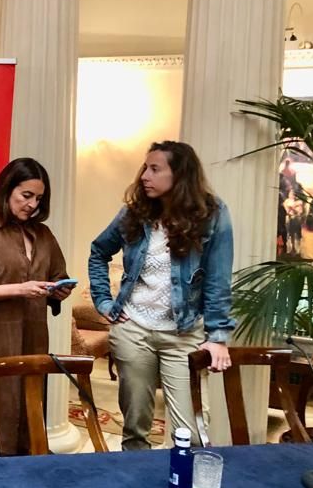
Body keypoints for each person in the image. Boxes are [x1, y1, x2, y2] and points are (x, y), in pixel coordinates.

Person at [89, 140, 234, 451]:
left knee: (190, 434)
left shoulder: (212, 214)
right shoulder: (135, 212)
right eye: (145, 167)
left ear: (179, 175)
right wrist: (103, 301)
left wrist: (218, 335)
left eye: (155, 169)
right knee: (135, 429)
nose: (144, 175)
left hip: (183, 335)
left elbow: (218, 280)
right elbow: (98, 251)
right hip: (133, 330)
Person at [0, 158, 73, 457]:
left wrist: (58, 290)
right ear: (6, 190)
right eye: (26, 196)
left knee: (31, 411)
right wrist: (19, 289)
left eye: (38, 198)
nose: (32, 204)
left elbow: (58, 275)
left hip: (34, 338)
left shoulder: (44, 234)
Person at [283, 187, 305, 256]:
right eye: (291, 193)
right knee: (290, 234)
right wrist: (291, 208)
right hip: (289, 219)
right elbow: (286, 210)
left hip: (297, 219)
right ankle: (291, 249)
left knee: (297, 235)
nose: (292, 195)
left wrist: (293, 208)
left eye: (293, 194)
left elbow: (300, 212)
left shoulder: (299, 202)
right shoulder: (286, 201)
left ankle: (298, 250)